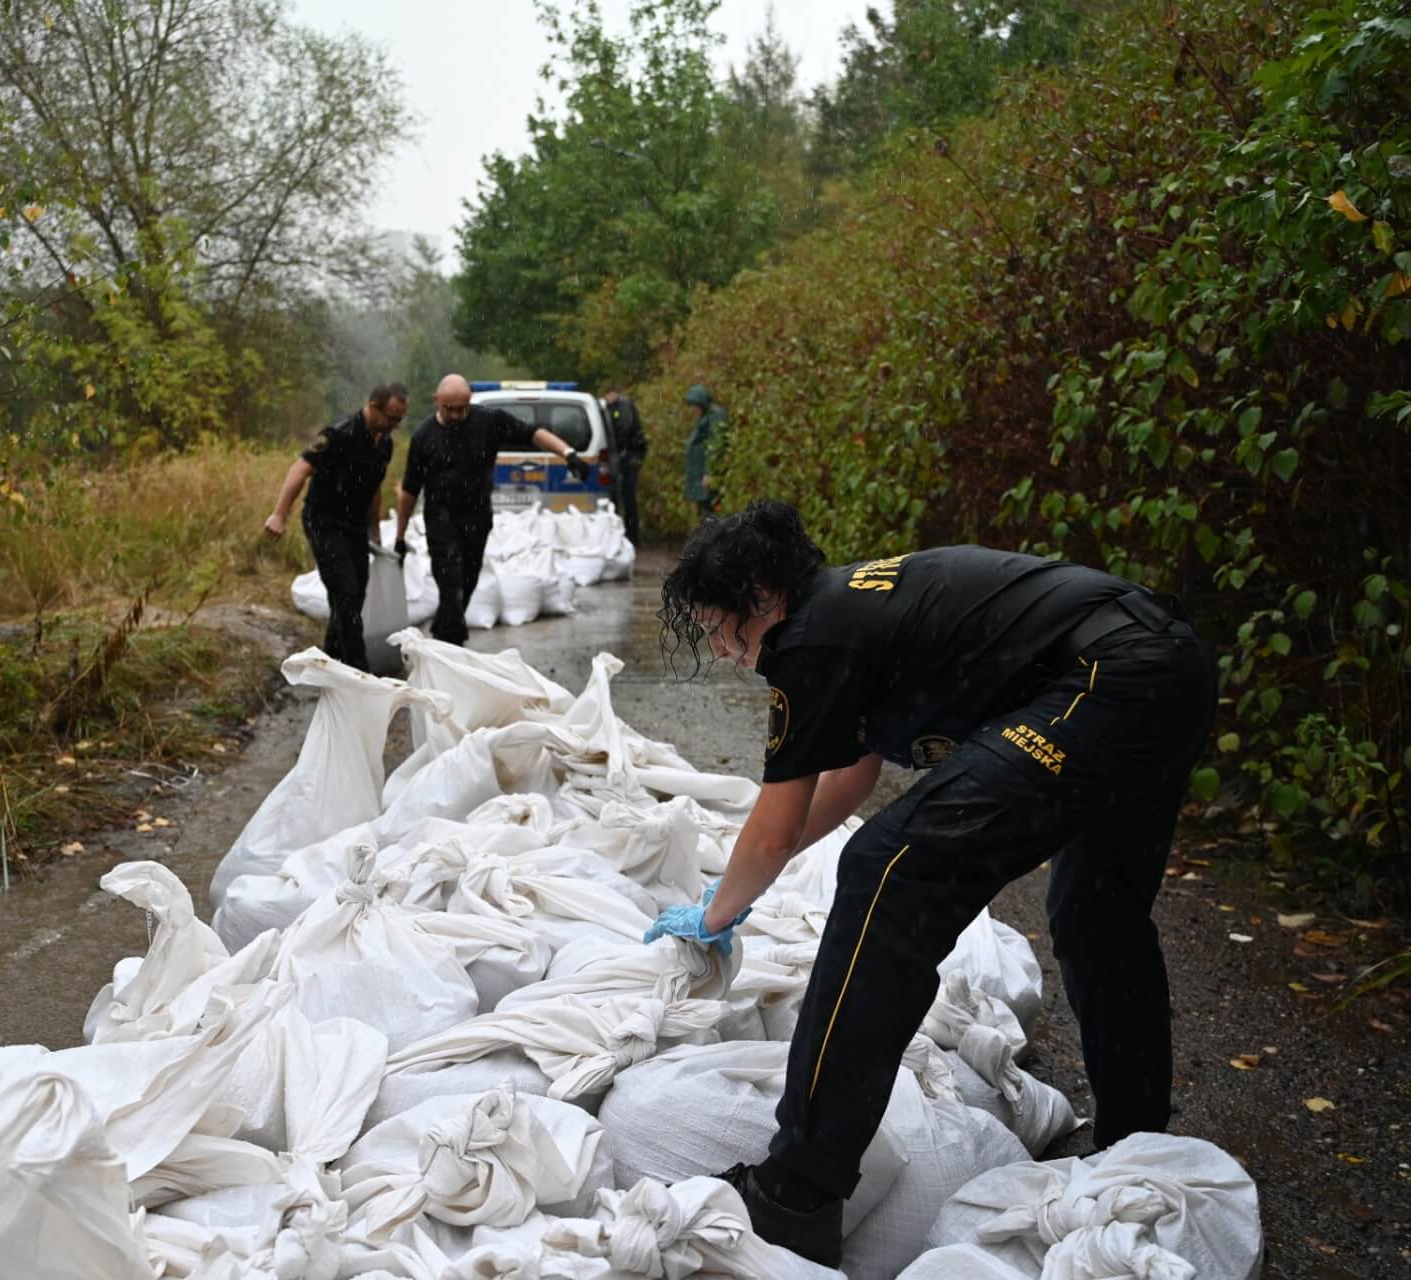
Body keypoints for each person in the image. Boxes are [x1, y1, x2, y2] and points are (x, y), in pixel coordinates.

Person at [645, 500, 1216, 1264]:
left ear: (762, 598)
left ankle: (798, 1188)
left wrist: (721, 909)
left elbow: (776, 825)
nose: (720, 651)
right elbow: (845, 779)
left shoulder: (811, 635)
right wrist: (751, 886)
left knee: (890, 870)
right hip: (1166, 670)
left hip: (1108, 677)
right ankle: (1134, 1146)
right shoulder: (842, 613)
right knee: (1094, 914)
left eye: (720, 628)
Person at [392, 374, 590, 646]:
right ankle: (448, 645)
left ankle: (445, 635)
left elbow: (533, 433)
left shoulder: (488, 421)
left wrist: (568, 454)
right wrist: (400, 537)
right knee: (450, 581)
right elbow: (409, 492)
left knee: (468, 581)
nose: (457, 415)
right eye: (449, 409)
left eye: (462, 408)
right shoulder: (424, 437)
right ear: (437, 402)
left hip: (477, 517)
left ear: (469, 401)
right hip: (441, 520)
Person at [263, 383, 408, 670]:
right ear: (373, 407)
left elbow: (374, 487)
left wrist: (375, 529)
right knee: (344, 591)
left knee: (355, 593)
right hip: (324, 521)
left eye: (399, 420)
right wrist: (279, 515)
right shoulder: (339, 433)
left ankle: (330, 659)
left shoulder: (384, 443)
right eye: (391, 418)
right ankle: (357, 668)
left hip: (354, 525)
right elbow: (300, 469)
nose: (394, 425)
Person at [601, 388, 647, 544]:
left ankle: (631, 537)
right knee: (617, 496)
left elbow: (623, 430)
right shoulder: (615, 406)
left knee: (627, 497)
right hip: (624, 455)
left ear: (611, 393)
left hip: (629, 456)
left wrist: (615, 451)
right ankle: (622, 534)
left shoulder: (623, 406)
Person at [681, 384, 725, 521]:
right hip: (698, 472)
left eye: (694, 405)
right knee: (703, 511)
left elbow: (716, 444)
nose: (692, 409)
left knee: (711, 509)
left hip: (707, 474)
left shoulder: (716, 415)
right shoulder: (705, 415)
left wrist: (709, 472)